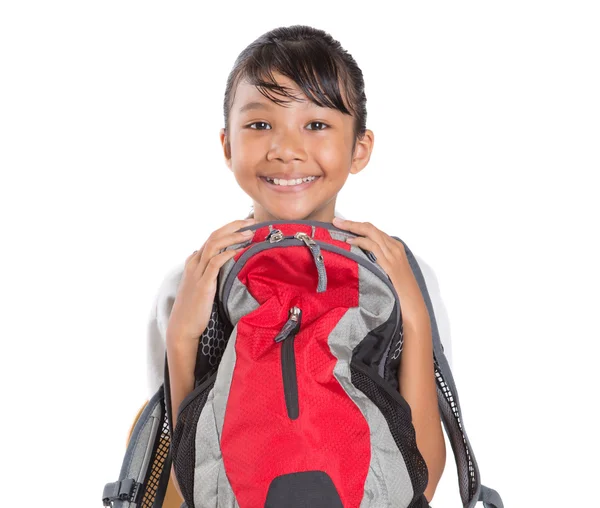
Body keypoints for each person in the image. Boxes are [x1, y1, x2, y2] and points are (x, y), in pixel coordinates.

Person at [149, 24, 450, 505]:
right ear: (227, 145)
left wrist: (413, 313)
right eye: (260, 124)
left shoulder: (397, 272)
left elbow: (423, 478)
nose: (285, 149)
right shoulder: (196, 279)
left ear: (360, 148)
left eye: (316, 125)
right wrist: (182, 336)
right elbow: (181, 483)